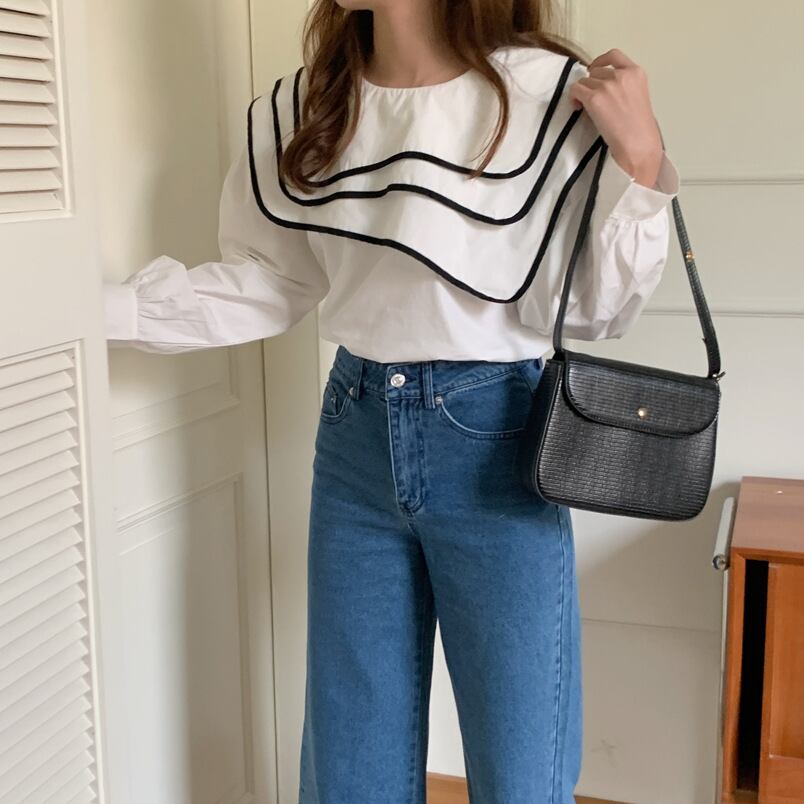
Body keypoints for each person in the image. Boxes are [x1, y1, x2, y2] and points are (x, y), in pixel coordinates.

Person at [103, 1, 679, 801]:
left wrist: (641, 158)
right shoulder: (307, 105)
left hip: (500, 439)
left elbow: (595, 311)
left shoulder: (551, 92)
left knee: (521, 760)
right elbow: (271, 283)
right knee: (350, 758)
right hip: (356, 430)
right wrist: (92, 312)